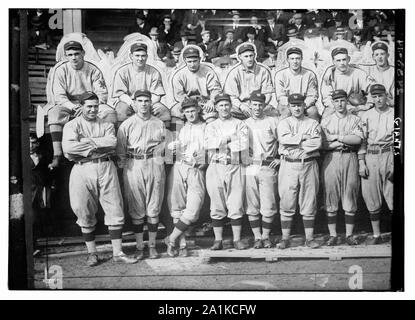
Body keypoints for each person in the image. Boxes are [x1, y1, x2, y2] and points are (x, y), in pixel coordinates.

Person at [62, 91, 137, 266]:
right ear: (81, 107)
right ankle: (92, 253)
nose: (93, 110)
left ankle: (118, 253)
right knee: (83, 209)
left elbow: (111, 143)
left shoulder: (107, 124)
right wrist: (97, 143)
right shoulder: (71, 126)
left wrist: (86, 143)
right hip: (82, 168)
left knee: (115, 208)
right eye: (89, 106)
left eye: (95, 106)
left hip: (105, 166)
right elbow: (69, 148)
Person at [47, 40, 116, 169]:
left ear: (83, 53)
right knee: (54, 113)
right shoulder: (61, 70)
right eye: (70, 54)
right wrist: (74, 107)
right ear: (66, 56)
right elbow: (59, 96)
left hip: (90, 102)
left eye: (77, 54)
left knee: (109, 112)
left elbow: (101, 94)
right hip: (69, 104)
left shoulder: (93, 69)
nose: (74, 57)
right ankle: (57, 154)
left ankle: (110, 151)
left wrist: (88, 106)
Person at [116, 90, 167, 259]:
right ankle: (139, 246)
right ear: (135, 103)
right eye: (140, 101)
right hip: (134, 164)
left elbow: (165, 145)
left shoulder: (159, 122)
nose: (144, 104)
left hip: (154, 162)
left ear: (151, 103)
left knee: (153, 207)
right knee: (136, 208)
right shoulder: (127, 124)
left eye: (146, 101)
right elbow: (120, 150)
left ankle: (152, 246)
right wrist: (126, 166)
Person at [277, 93, 322, 249]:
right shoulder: (284, 122)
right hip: (288, 165)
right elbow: (283, 140)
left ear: (304, 106)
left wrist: (294, 141)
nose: (297, 108)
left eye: (299, 105)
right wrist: (303, 137)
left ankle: (309, 238)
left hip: (309, 164)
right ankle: (285, 238)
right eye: (293, 105)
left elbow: (316, 143)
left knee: (309, 201)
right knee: (286, 201)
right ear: (289, 107)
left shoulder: (313, 122)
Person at [205, 94, 249, 250]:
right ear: (216, 107)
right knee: (217, 203)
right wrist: (230, 138)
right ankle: (218, 240)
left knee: (236, 202)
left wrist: (221, 141)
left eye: (226, 105)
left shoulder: (240, 124)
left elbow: (242, 145)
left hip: (235, 164)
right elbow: (210, 144)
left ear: (231, 106)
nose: (224, 108)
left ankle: (237, 239)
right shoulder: (211, 125)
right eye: (221, 105)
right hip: (216, 165)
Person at [320, 90, 363, 246]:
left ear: (347, 101)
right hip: (331, 158)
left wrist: (337, 138)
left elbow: (357, 139)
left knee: (350, 193)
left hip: (350, 157)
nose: (340, 104)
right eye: (337, 101)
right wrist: (344, 141)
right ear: (333, 102)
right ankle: (333, 235)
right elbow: (323, 144)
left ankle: (349, 235)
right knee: (331, 195)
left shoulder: (355, 119)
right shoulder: (326, 120)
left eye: (343, 100)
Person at [165, 98, 207, 257]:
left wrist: (206, 158)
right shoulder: (179, 127)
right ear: (183, 112)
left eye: (193, 110)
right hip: (179, 166)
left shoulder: (206, 127)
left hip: (196, 169)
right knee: (177, 208)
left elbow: (212, 148)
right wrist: (173, 147)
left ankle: (171, 238)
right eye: (187, 111)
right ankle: (181, 244)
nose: (190, 113)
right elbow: (168, 148)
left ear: (198, 110)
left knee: (193, 210)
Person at [358, 84, 393, 245]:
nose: (378, 99)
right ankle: (376, 234)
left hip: (389, 154)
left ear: (386, 95)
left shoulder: (395, 114)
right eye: (375, 96)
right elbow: (362, 141)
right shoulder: (366, 115)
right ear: (371, 98)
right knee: (371, 196)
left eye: (381, 95)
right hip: (371, 156)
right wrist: (361, 162)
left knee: (393, 195)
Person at [245, 93, 280, 249]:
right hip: (251, 165)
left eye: (260, 104)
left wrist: (280, 157)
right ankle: (257, 237)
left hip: (267, 165)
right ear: (250, 105)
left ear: (264, 105)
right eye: (254, 104)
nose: (257, 108)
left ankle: (265, 237)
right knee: (252, 203)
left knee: (268, 204)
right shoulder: (244, 123)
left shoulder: (272, 121)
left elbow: (283, 142)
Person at [110, 42, 171, 128]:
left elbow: (157, 94)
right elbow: (120, 94)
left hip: (149, 102)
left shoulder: (154, 72)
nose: (140, 58)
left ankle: (164, 137)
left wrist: (146, 104)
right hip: (129, 102)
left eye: (143, 56)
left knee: (162, 110)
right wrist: (132, 104)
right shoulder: (122, 71)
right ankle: (122, 138)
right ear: (131, 56)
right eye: (137, 55)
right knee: (121, 110)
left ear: (147, 56)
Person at [171, 46, 222, 131]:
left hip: (204, 101)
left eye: (195, 61)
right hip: (186, 101)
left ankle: (211, 138)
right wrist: (189, 103)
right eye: (189, 61)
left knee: (211, 113)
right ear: (185, 61)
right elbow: (178, 94)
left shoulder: (208, 71)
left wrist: (212, 101)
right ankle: (176, 137)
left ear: (199, 59)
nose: (192, 64)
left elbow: (215, 89)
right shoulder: (179, 74)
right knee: (176, 111)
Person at [223, 43, 275, 120]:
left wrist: (259, 106)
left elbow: (267, 93)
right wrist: (241, 106)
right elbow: (231, 96)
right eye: (246, 56)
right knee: (227, 112)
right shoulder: (234, 72)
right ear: (240, 57)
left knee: (274, 113)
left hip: (259, 104)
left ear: (255, 55)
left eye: (251, 56)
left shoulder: (263, 71)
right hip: (241, 107)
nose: (249, 59)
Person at [321, 47, 375, 118]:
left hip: (355, 107)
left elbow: (373, 89)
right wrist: (342, 107)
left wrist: (368, 104)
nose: (342, 63)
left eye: (344, 60)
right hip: (336, 107)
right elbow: (327, 98)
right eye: (338, 60)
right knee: (326, 117)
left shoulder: (359, 73)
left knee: (364, 117)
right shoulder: (329, 76)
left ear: (349, 59)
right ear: (333, 61)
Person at [274, 47, 319, 121]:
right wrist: (293, 106)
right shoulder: (280, 75)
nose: (295, 61)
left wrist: (302, 106)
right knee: (285, 113)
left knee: (313, 112)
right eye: (292, 59)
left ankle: (313, 131)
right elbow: (280, 96)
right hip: (287, 104)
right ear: (288, 60)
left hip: (304, 104)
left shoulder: (309, 74)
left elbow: (312, 95)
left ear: (301, 59)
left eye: (298, 58)